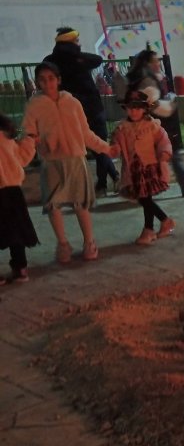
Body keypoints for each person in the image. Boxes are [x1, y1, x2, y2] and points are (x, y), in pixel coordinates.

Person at [21, 62, 119, 263]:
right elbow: (28, 133)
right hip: (51, 161)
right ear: (38, 82)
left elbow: (85, 133)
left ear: (58, 80)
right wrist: (25, 149)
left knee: (80, 203)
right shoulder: (34, 106)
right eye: (42, 79)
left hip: (75, 159)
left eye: (51, 78)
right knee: (53, 205)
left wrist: (106, 148)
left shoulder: (72, 103)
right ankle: (63, 244)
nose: (47, 83)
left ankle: (89, 242)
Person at [43, 27, 120, 196]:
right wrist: (75, 54)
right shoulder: (78, 59)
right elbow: (97, 59)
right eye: (77, 41)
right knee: (100, 145)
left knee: (96, 146)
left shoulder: (50, 61)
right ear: (70, 42)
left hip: (69, 112)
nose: (80, 44)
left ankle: (114, 176)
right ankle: (102, 184)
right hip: (91, 107)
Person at [126, 49, 184, 197]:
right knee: (171, 156)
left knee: (163, 157)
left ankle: (139, 190)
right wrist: (171, 103)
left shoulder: (148, 78)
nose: (158, 63)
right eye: (155, 61)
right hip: (158, 126)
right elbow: (153, 105)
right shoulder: (147, 81)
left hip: (156, 126)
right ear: (147, 64)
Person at [111, 90, 176, 245]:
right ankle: (161, 223)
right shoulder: (121, 129)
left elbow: (163, 140)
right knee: (144, 198)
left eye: (138, 108)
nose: (134, 111)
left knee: (145, 198)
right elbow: (116, 146)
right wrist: (112, 149)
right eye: (131, 108)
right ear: (125, 108)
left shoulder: (152, 126)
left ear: (145, 109)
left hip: (149, 167)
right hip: (134, 170)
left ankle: (151, 228)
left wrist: (165, 153)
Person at [0, 113, 39, 284]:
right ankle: (21, 269)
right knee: (16, 231)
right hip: (13, 190)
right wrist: (30, 140)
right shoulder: (7, 136)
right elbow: (22, 158)